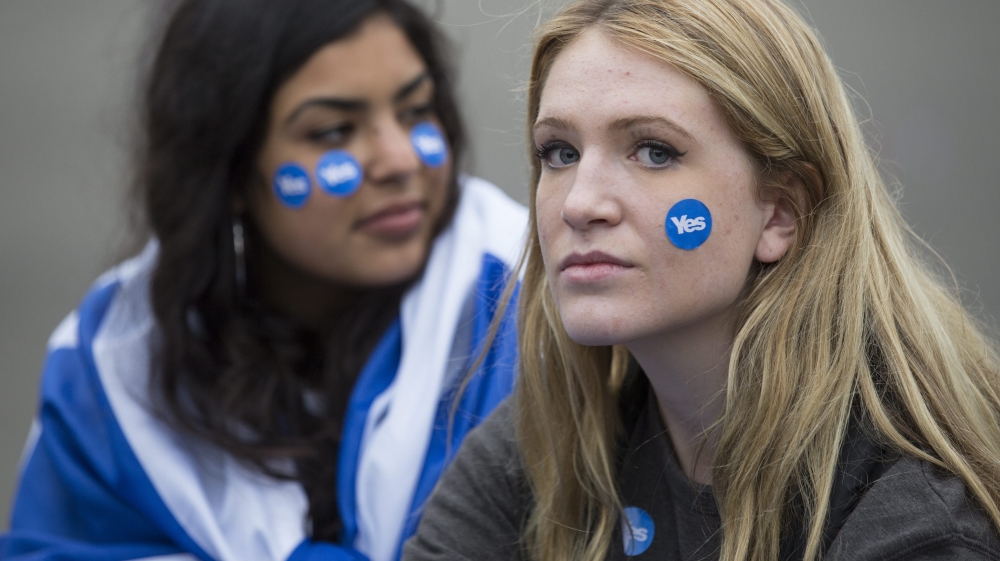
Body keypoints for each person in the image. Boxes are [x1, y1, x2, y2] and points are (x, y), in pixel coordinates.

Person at [402, 0, 1000, 559]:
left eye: (654, 152)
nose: (580, 204)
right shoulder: (554, 446)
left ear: (780, 213)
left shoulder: (917, 515)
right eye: (560, 153)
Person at [2, 0, 527, 560]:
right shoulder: (114, 358)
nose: (400, 160)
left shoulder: (535, 306)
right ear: (226, 167)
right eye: (333, 132)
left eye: (416, 111)